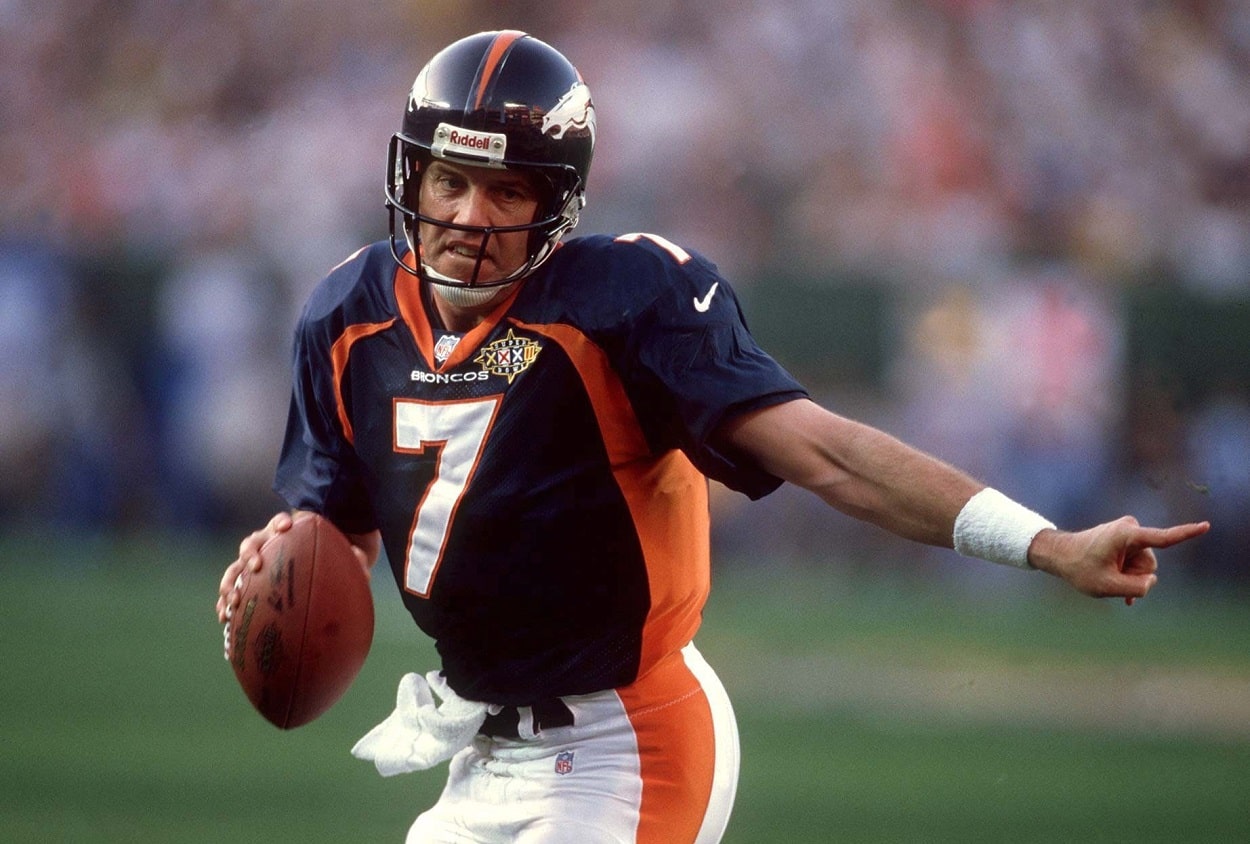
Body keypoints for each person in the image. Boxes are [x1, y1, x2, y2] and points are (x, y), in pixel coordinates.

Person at [214, 30, 1209, 844]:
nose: (469, 218)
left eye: (507, 191)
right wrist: (278, 567)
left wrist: (1038, 543)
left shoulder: (624, 299)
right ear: (409, 177)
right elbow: (334, 526)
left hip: (625, 742)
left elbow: (824, 453)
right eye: (448, 182)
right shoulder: (345, 316)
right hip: (481, 747)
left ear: (556, 202)